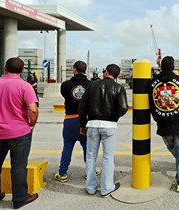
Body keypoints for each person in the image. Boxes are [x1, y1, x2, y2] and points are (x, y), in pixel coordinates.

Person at [0, 57, 39, 209]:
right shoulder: (25, 86)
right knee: (19, 165)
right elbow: (33, 109)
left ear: (5, 67)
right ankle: (19, 199)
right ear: (22, 70)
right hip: (20, 133)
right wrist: (31, 124)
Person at [79, 64, 128, 197]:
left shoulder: (92, 85)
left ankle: (90, 187)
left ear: (106, 72)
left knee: (90, 156)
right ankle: (107, 188)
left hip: (93, 124)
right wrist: (114, 117)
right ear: (116, 75)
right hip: (110, 126)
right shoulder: (119, 87)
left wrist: (83, 125)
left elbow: (82, 107)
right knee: (108, 157)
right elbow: (123, 107)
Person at [148, 56, 179, 193]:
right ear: (173, 67)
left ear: (161, 66)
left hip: (163, 123)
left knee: (174, 149)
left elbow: (151, 104)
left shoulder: (153, 83)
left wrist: (157, 117)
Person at [55, 61, 91, 183]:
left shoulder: (65, 85)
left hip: (70, 119)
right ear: (85, 70)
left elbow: (66, 96)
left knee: (67, 147)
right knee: (88, 147)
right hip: (86, 120)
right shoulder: (91, 85)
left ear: (74, 70)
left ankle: (62, 173)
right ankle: (90, 172)